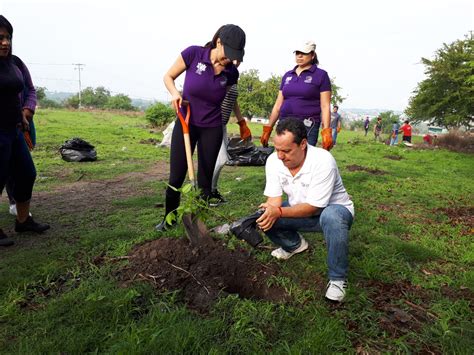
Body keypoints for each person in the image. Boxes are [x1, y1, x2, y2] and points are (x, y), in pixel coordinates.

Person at [157, 24, 246, 231]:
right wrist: (175, 94)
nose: (232, 60)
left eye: (236, 56)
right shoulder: (194, 54)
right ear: (218, 42)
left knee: (205, 180)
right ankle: (168, 220)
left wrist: (241, 120)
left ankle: (199, 222)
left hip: (212, 127)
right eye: (229, 53)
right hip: (186, 121)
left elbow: (232, 99)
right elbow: (168, 76)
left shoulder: (231, 72)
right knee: (176, 177)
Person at [255, 118, 354, 302]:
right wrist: (268, 212)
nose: (280, 156)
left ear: (302, 144)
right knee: (264, 214)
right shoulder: (274, 161)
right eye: (277, 150)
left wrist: (279, 212)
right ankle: (294, 245)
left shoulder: (323, 161)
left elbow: (314, 207)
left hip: (334, 211)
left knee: (331, 217)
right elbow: (274, 201)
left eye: (286, 151)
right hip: (299, 211)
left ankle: (337, 279)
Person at [0, 15, 50, 247]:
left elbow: (27, 90)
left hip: (15, 129)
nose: (5, 42)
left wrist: (25, 112)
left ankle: (23, 221)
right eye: (0, 38)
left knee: (26, 173)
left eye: (8, 37)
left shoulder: (14, 63)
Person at [260, 41, 332, 150]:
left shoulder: (321, 75)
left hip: (308, 125)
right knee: (283, 157)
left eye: (304, 53)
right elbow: (278, 105)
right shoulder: (288, 75)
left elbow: (325, 106)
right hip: (285, 123)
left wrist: (326, 131)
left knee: (306, 159)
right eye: (297, 53)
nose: (299, 56)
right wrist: (268, 128)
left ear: (312, 55)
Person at [210, 81, 251, 207]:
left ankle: (211, 191)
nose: (235, 63)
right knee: (220, 159)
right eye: (233, 60)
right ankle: (206, 192)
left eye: (238, 61)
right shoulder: (219, 72)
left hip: (222, 124)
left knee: (219, 159)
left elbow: (234, 101)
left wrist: (241, 122)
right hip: (211, 123)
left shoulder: (233, 75)